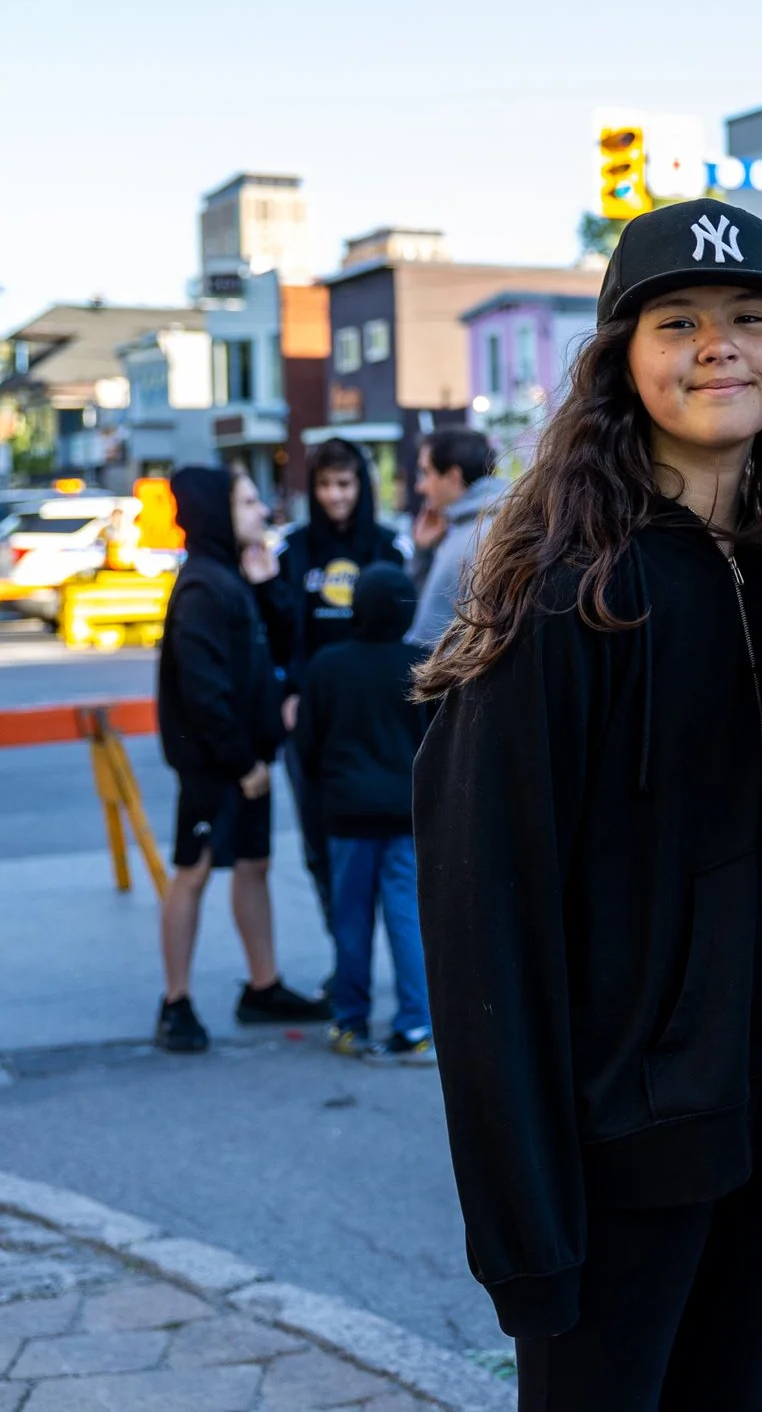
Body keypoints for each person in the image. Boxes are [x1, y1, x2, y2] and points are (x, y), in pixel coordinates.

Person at [413, 199, 762, 1411]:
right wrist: (526, 1225)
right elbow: (488, 924)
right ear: (621, 358)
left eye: (752, 318)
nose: (718, 345)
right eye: (677, 319)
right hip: (618, 1160)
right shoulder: (565, 596)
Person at [153, 466, 330, 1054]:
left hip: (250, 759)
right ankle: (174, 1002)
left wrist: (266, 584)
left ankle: (264, 984)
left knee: (254, 864)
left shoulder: (233, 578)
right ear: (216, 514)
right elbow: (205, 692)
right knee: (194, 871)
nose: (262, 510)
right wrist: (239, 763)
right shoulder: (203, 586)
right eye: (248, 501)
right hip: (216, 765)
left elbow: (275, 655)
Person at [264, 439, 404, 933]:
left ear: (360, 485)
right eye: (324, 485)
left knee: (396, 848)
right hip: (312, 718)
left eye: (343, 484)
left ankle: (405, 974)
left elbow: (413, 630)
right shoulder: (293, 548)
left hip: (380, 715)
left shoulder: (389, 547)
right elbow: (279, 632)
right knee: (320, 843)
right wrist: (288, 693)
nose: (334, 496)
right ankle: (346, 964)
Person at [295, 561, 431, 1060]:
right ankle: (416, 1025)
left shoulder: (328, 666)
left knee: (351, 921)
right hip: (406, 816)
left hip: (346, 817)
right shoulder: (422, 664)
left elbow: (306, 748)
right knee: (407, 919)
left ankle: (350, 1022)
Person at [407, 428, 502, 647]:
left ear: (452, 476)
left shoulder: (481, 534)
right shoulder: (468, 527)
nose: (419, 486)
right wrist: (424, 550)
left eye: (425, 473)